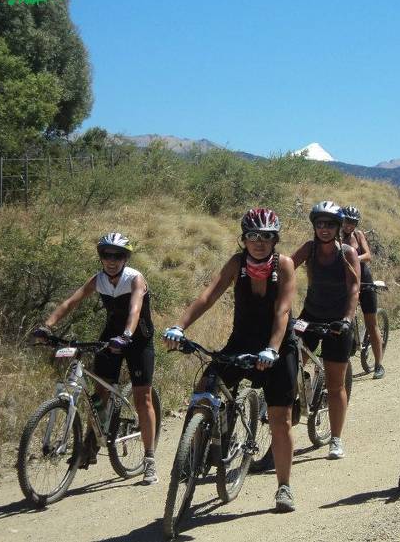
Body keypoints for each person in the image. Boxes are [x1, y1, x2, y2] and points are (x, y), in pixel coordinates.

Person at [163, 208, 299, 512]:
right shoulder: (237, 264)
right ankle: (195, 451)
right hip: (242, 341)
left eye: (266, 236)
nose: (259, 242)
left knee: (280, 420)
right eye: (252, 236)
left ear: (275, 239)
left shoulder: (285, 264)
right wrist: (179, 326)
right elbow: (208, 296)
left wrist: (273, 349)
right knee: (206, 385)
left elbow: (283, 311)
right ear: (244, 239)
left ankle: (284, 487)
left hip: (279, 346)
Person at [32, 233, 159, 484]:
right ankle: (91, 444)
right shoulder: (99, 279)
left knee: (142, 396)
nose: (111, 260)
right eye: (106, 255)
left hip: (138, 340)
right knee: (99, 393)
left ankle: (150, 459)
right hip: (110, 337)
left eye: (118, 255)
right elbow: (70, 302)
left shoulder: (135, 279)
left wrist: (125, 336)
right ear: (100, 257)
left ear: (126, 258)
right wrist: (47, 327)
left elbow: (135, 309)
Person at [291, 201, 361, 460]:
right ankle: (302, 387)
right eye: (319, 224)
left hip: (337, 322)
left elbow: (354, 288)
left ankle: (336, 438)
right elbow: (287, 268)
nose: (324, 229)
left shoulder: (347, 253)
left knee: (335, 384)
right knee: (288, 360)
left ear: (338, 227)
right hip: (310, 315)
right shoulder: (309, 249)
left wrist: (346, 319)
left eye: (329, 224)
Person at [340, 205, 386, 379]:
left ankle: (379, 365)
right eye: (346, 221)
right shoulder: (334, 236)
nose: (348, 225)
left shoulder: (358, 236)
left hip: (364, 280)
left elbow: (368, 255)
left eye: (352, 222)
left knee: (371, 323)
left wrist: (352, 257)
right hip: (345, 282)